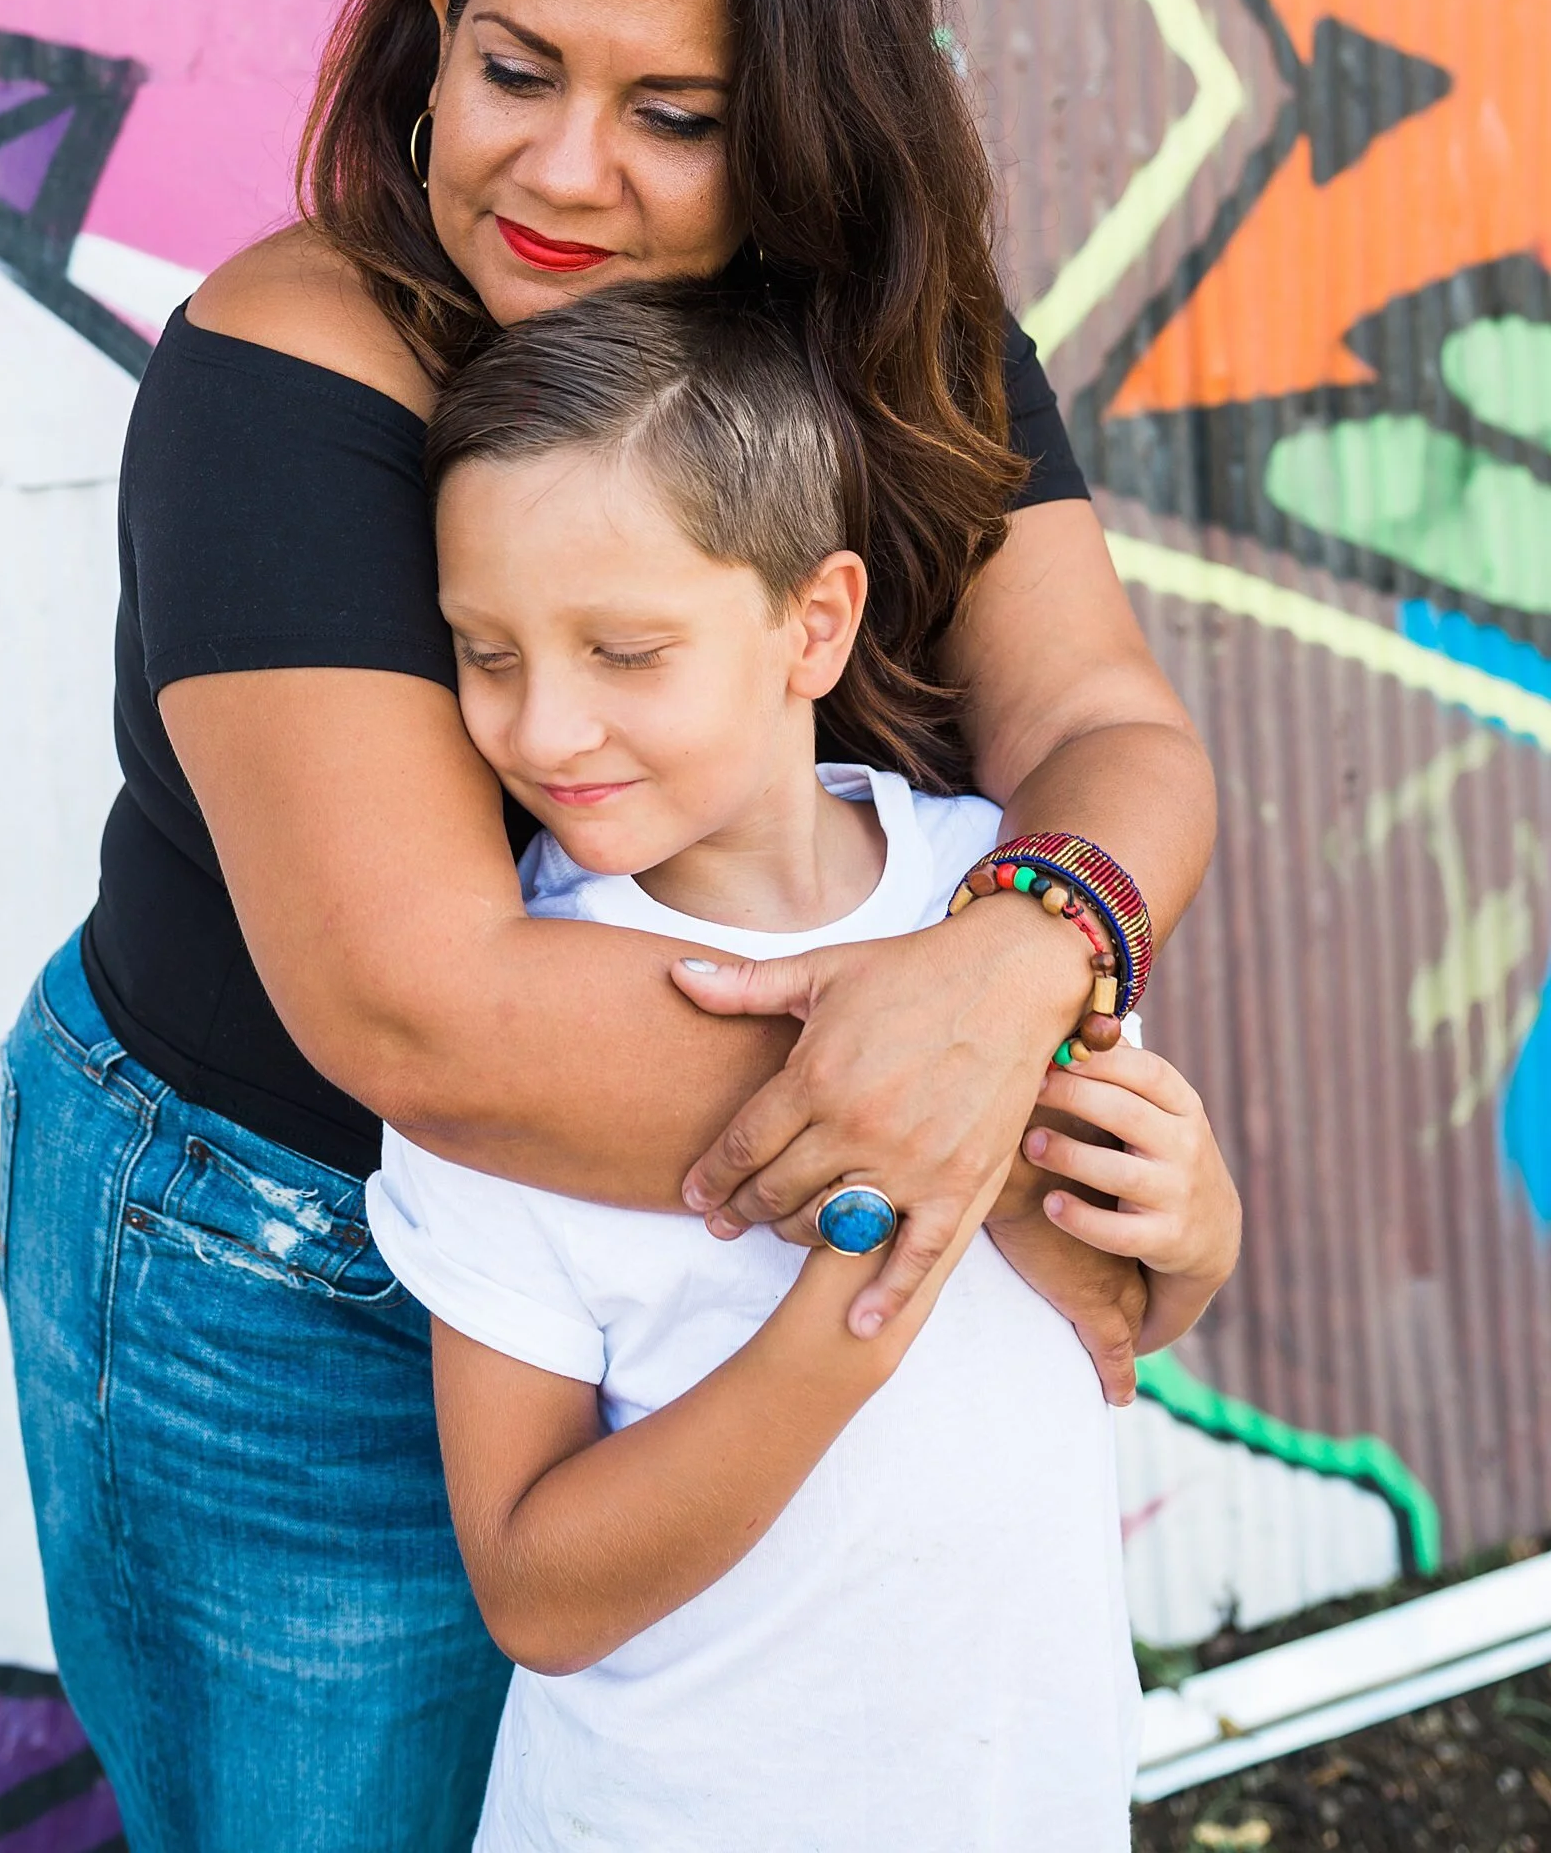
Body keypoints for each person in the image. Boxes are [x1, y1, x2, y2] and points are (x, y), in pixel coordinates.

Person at [0, 0, 1218, 1853]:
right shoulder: (296, 367)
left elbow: (1108, 731)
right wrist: (991, 1122)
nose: (564, 173)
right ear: (431, 31)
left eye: (675, 117)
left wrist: (1030, 950)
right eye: (516, 70)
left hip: (732, 1265)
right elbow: (429, 1015)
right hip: (304, 1274)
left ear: (810, 143)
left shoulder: (894, 341)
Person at [370, 284, 1240, 1852]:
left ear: (814, 622)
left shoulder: (998, 910)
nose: (542, 723)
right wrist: (844, 1325)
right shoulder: (510, 1051)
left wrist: (1194, 1224)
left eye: (624, 651)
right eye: (484, 654)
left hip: (1023, 1800)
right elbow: (534, 1587)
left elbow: (1118, 1323)